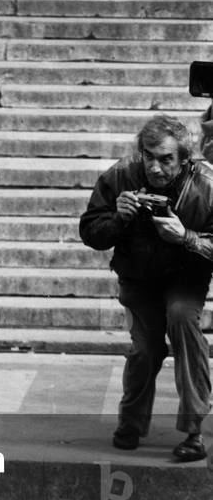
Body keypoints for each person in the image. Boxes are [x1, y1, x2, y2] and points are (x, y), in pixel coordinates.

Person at [79, 115, 213, 461]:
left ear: (186, 159)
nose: (155, 167)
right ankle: (132, 423)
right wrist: (118, 218)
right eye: (148, 156)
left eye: (166, 159)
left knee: (183, 321)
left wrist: (186, 238)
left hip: (187, 275)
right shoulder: (121, 175)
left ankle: (194, 431)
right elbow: (90, 233)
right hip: (138, 276)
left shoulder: (208, 185)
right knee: (146, 348)